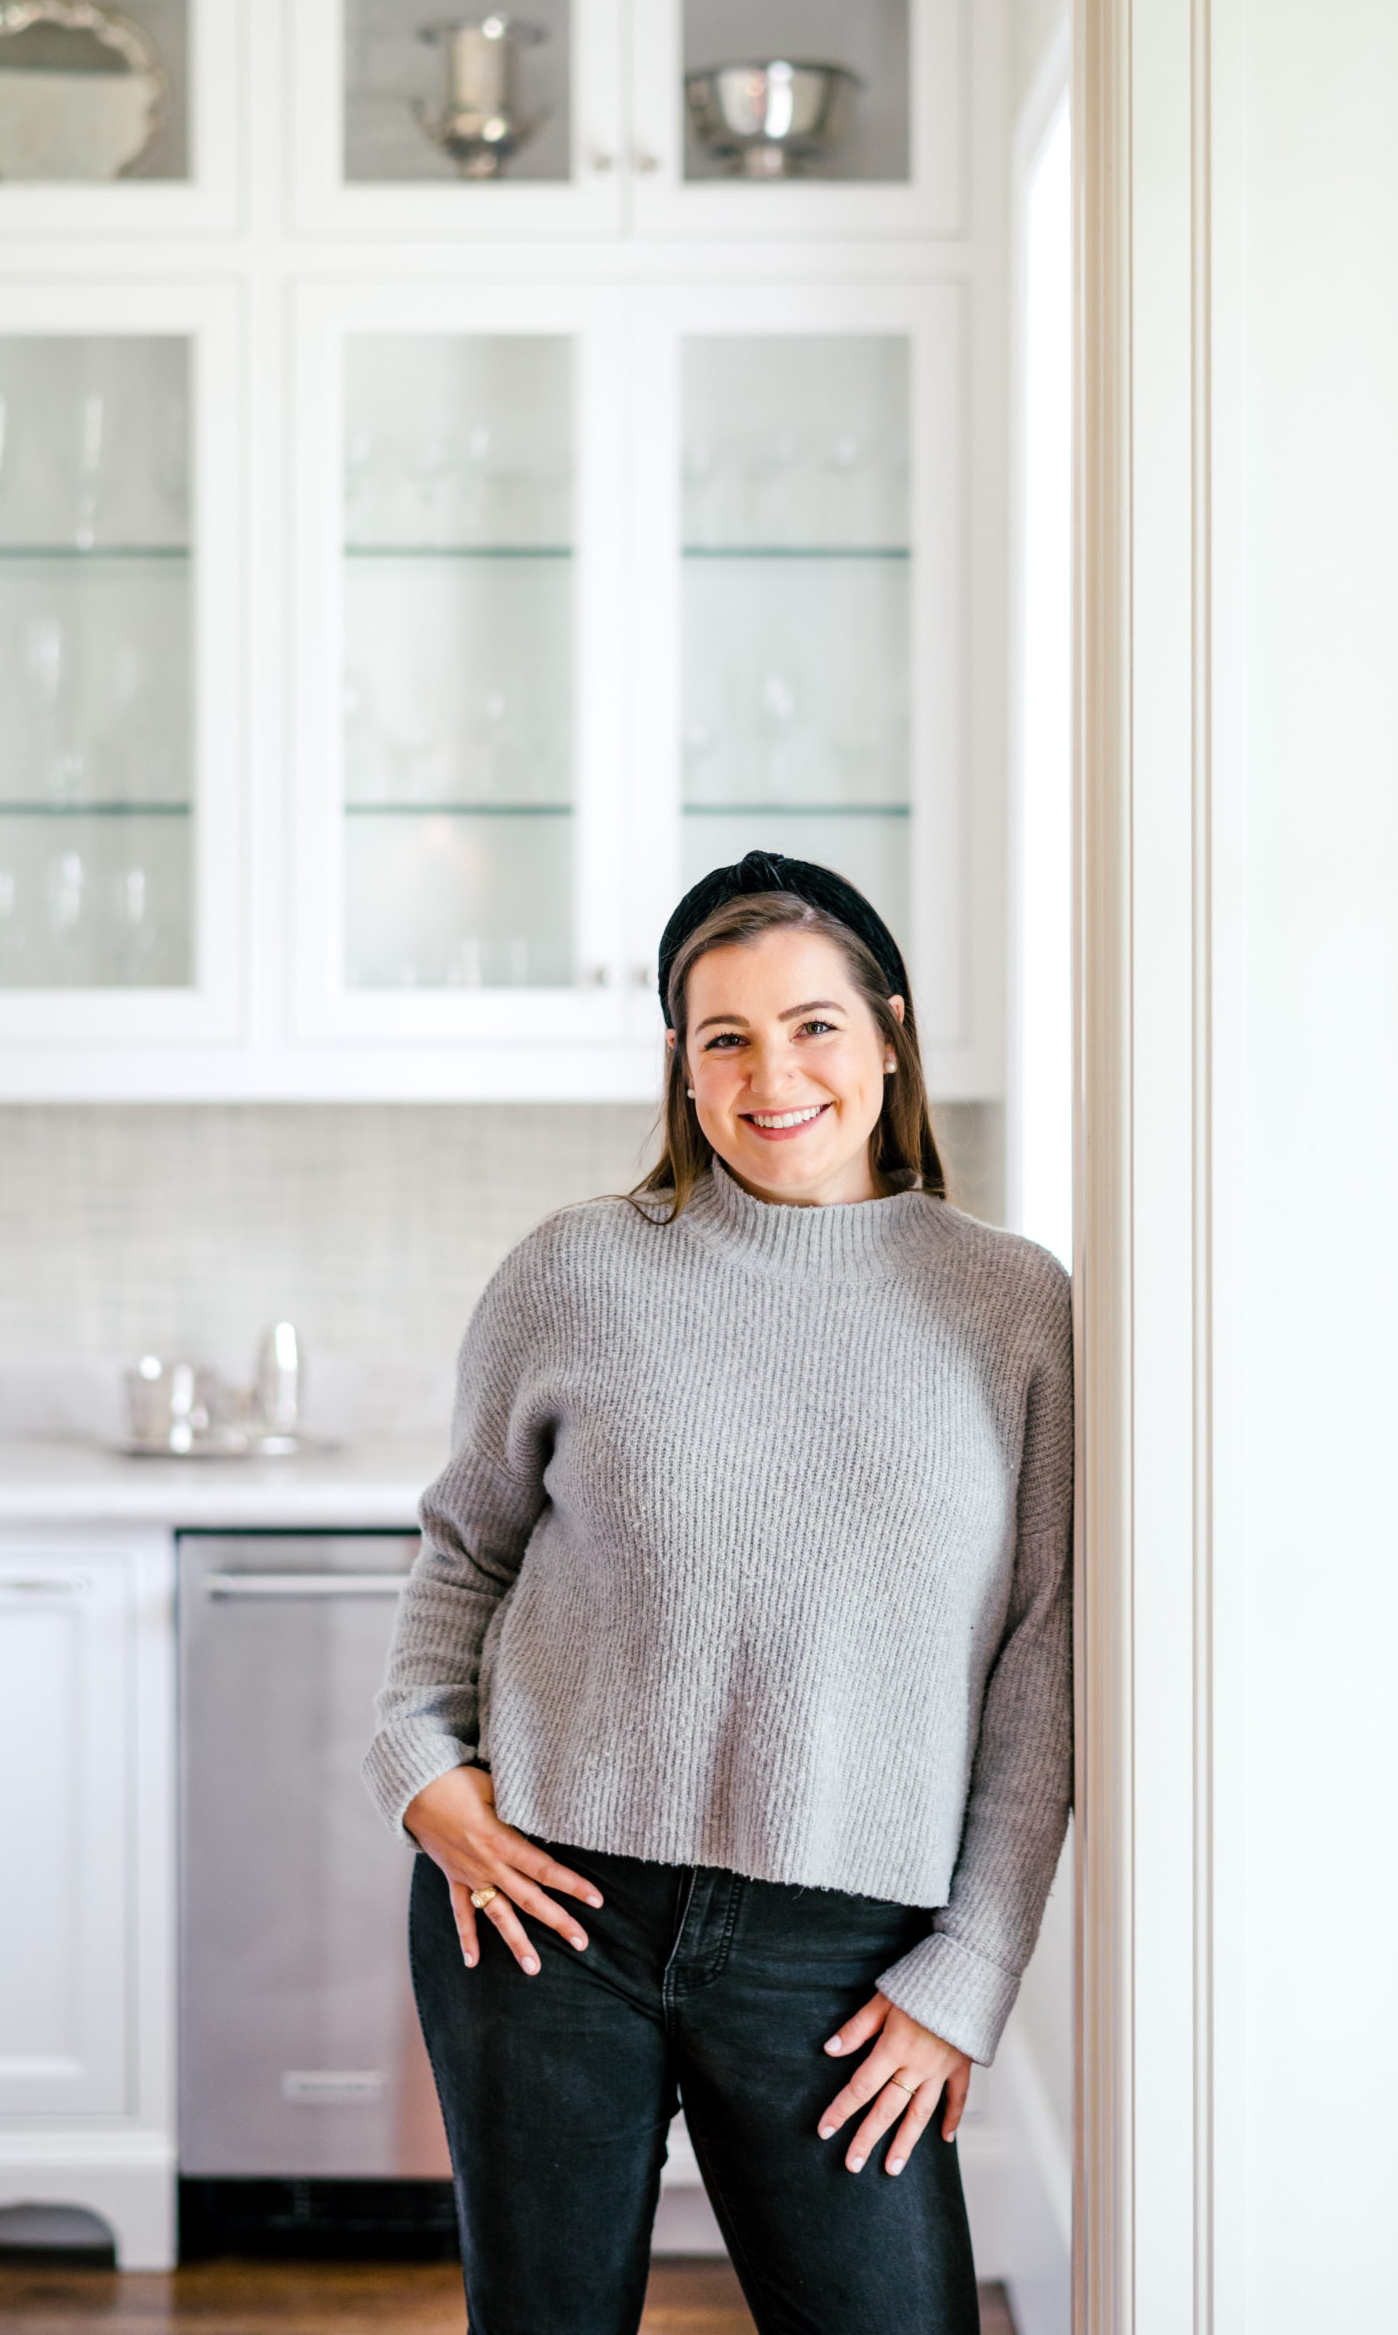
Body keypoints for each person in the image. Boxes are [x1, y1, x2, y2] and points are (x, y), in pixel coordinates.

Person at [365, 851, 1073, 2335]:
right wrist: (423, 1768)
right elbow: (465, 1551)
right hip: (543, 1907)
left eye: (815, 1025)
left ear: (890, 1034)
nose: (775, 1075)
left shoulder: (1017, 1308)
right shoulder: (575, 1271)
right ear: (682, 1069)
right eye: (725, 1037)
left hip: (845, 1947)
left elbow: (1041, 1659)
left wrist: (976, 1961)